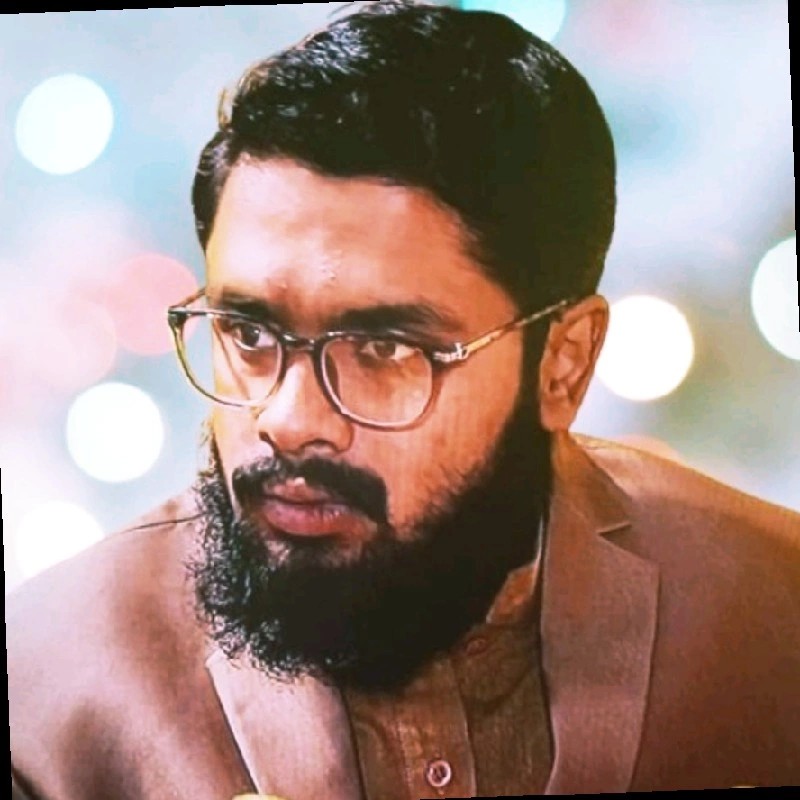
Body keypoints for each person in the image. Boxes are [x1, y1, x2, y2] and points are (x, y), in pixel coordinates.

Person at [7, 2, 799, 797]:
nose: (287, 421)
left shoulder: (773, 618)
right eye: (248, 334)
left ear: (564, 364)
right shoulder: (43, 698)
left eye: (384, 350)